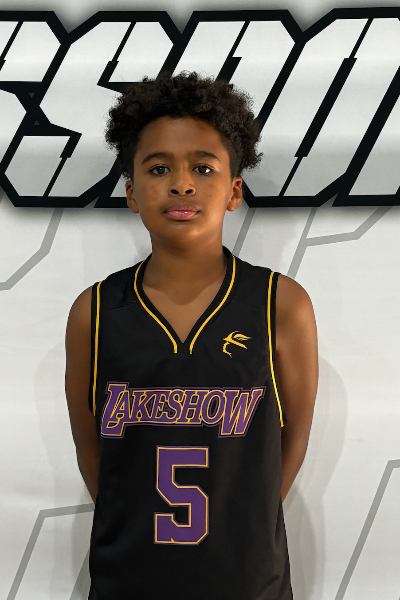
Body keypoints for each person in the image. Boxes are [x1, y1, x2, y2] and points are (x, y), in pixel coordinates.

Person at [65, 71, 318, 600]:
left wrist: (242, 519)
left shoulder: (281, 304)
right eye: (159, 169)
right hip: (129, 581)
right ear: (132, 193)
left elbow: (290, 442)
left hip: (247, 581)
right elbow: (96, 459)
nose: (182, 184)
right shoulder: (95, 311)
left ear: (234, 191)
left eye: (203, 168)